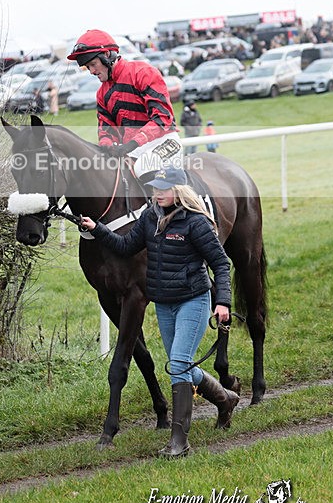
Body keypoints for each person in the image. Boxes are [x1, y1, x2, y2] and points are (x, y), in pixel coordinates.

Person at [79, 166, 239, 458]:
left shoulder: (196, 222)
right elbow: (125, 246)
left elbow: (220, 263)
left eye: (165, 188)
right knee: (182, 366)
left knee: (177, 364)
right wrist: (97, 229)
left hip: (193, 300)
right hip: (164, 304)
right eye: (156, 188)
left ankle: (179, 441)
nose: (158, 193)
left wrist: (223, 302)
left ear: (180, 189)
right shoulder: (149, 217)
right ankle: (225, 399)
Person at [67, 30, 182, 180]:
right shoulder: (102, 94)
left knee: (143, 167)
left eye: (93, 64)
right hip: (133, 149)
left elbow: (163, 118)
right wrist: (106, 144)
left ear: (107, 55)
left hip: (164, 141)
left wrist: (134, 143)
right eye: (88, 67)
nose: (92, 71)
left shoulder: (143, 73)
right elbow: (106, 130)